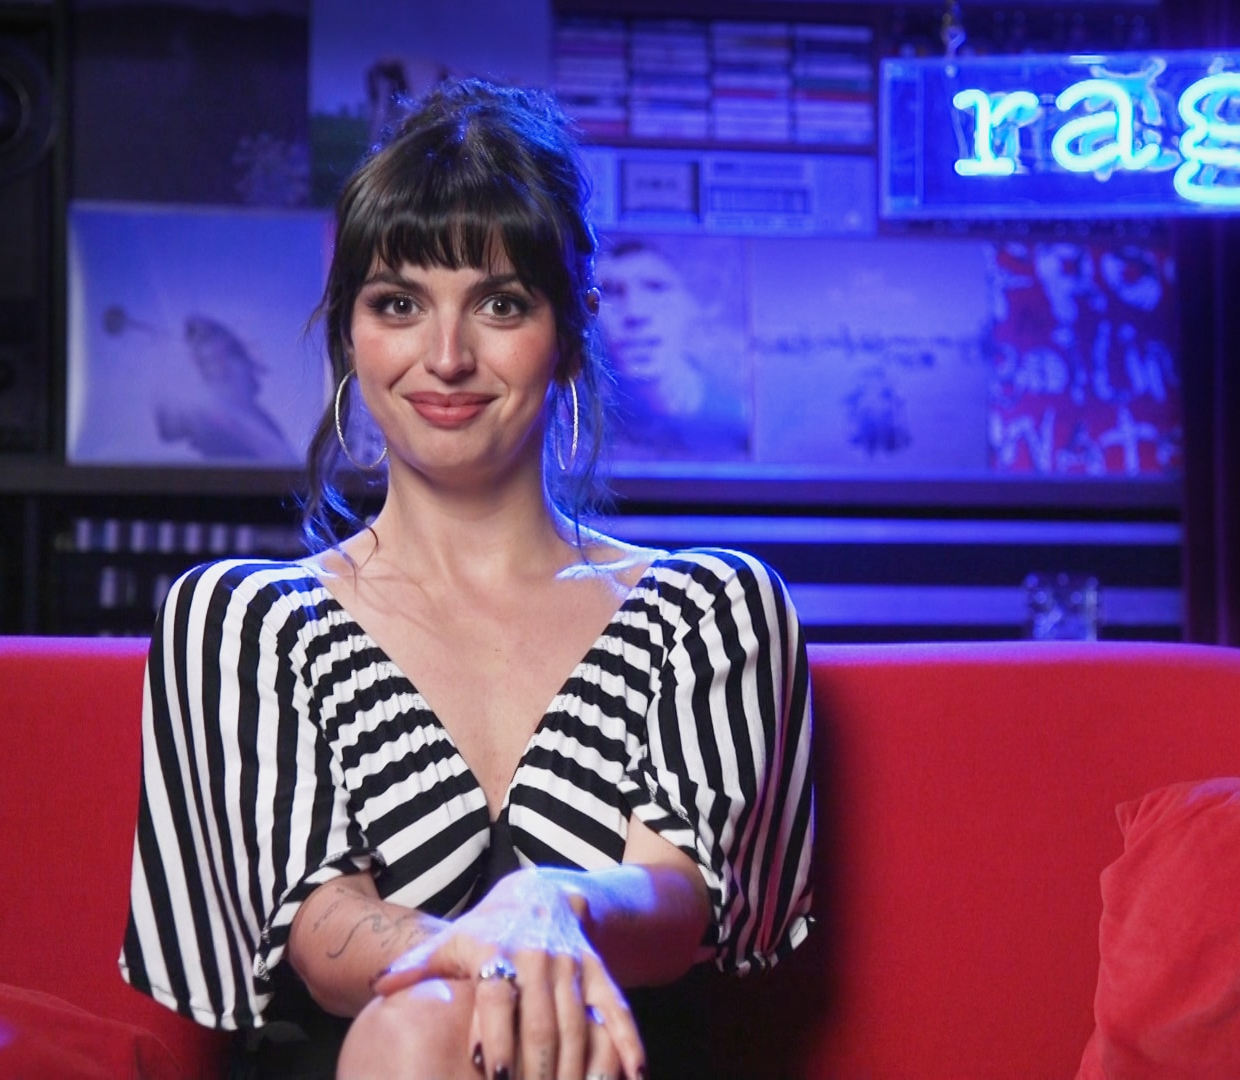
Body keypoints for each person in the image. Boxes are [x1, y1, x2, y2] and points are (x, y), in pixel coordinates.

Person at [119, 80, 814, 1080]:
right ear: (351, 335)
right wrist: (485, 955)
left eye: (500, 303)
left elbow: (678, 907)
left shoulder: (708, 609)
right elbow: (320, 933)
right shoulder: (244, 621)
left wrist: (552, 901)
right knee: (415, 1029)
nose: (445, 357)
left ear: (569, 333)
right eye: (398, 304)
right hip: (355, 1059)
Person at [596, 239, 751, 460]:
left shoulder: (742, 421)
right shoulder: (579, 433)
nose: (635, 312)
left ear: (692, 305)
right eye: (610, 291)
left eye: (655, 287)